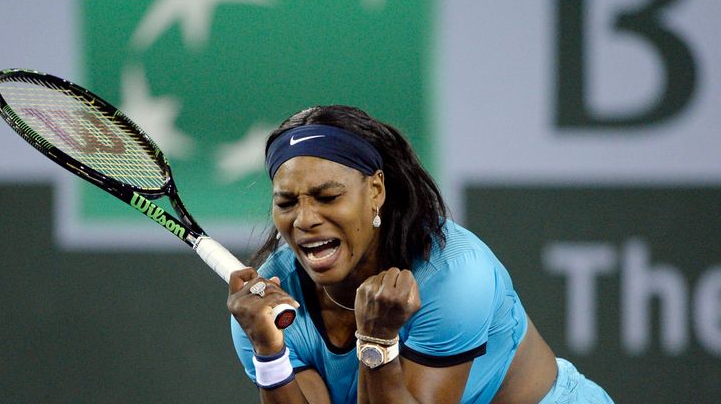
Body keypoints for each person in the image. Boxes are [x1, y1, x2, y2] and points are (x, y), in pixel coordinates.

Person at [227, 105, 614, 403]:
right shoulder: (269, 307)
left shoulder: (456, 276)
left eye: (328, 197)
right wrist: (269, 352)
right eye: (287, 202)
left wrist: (378, 341)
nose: (305, 219)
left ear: (376, 190)